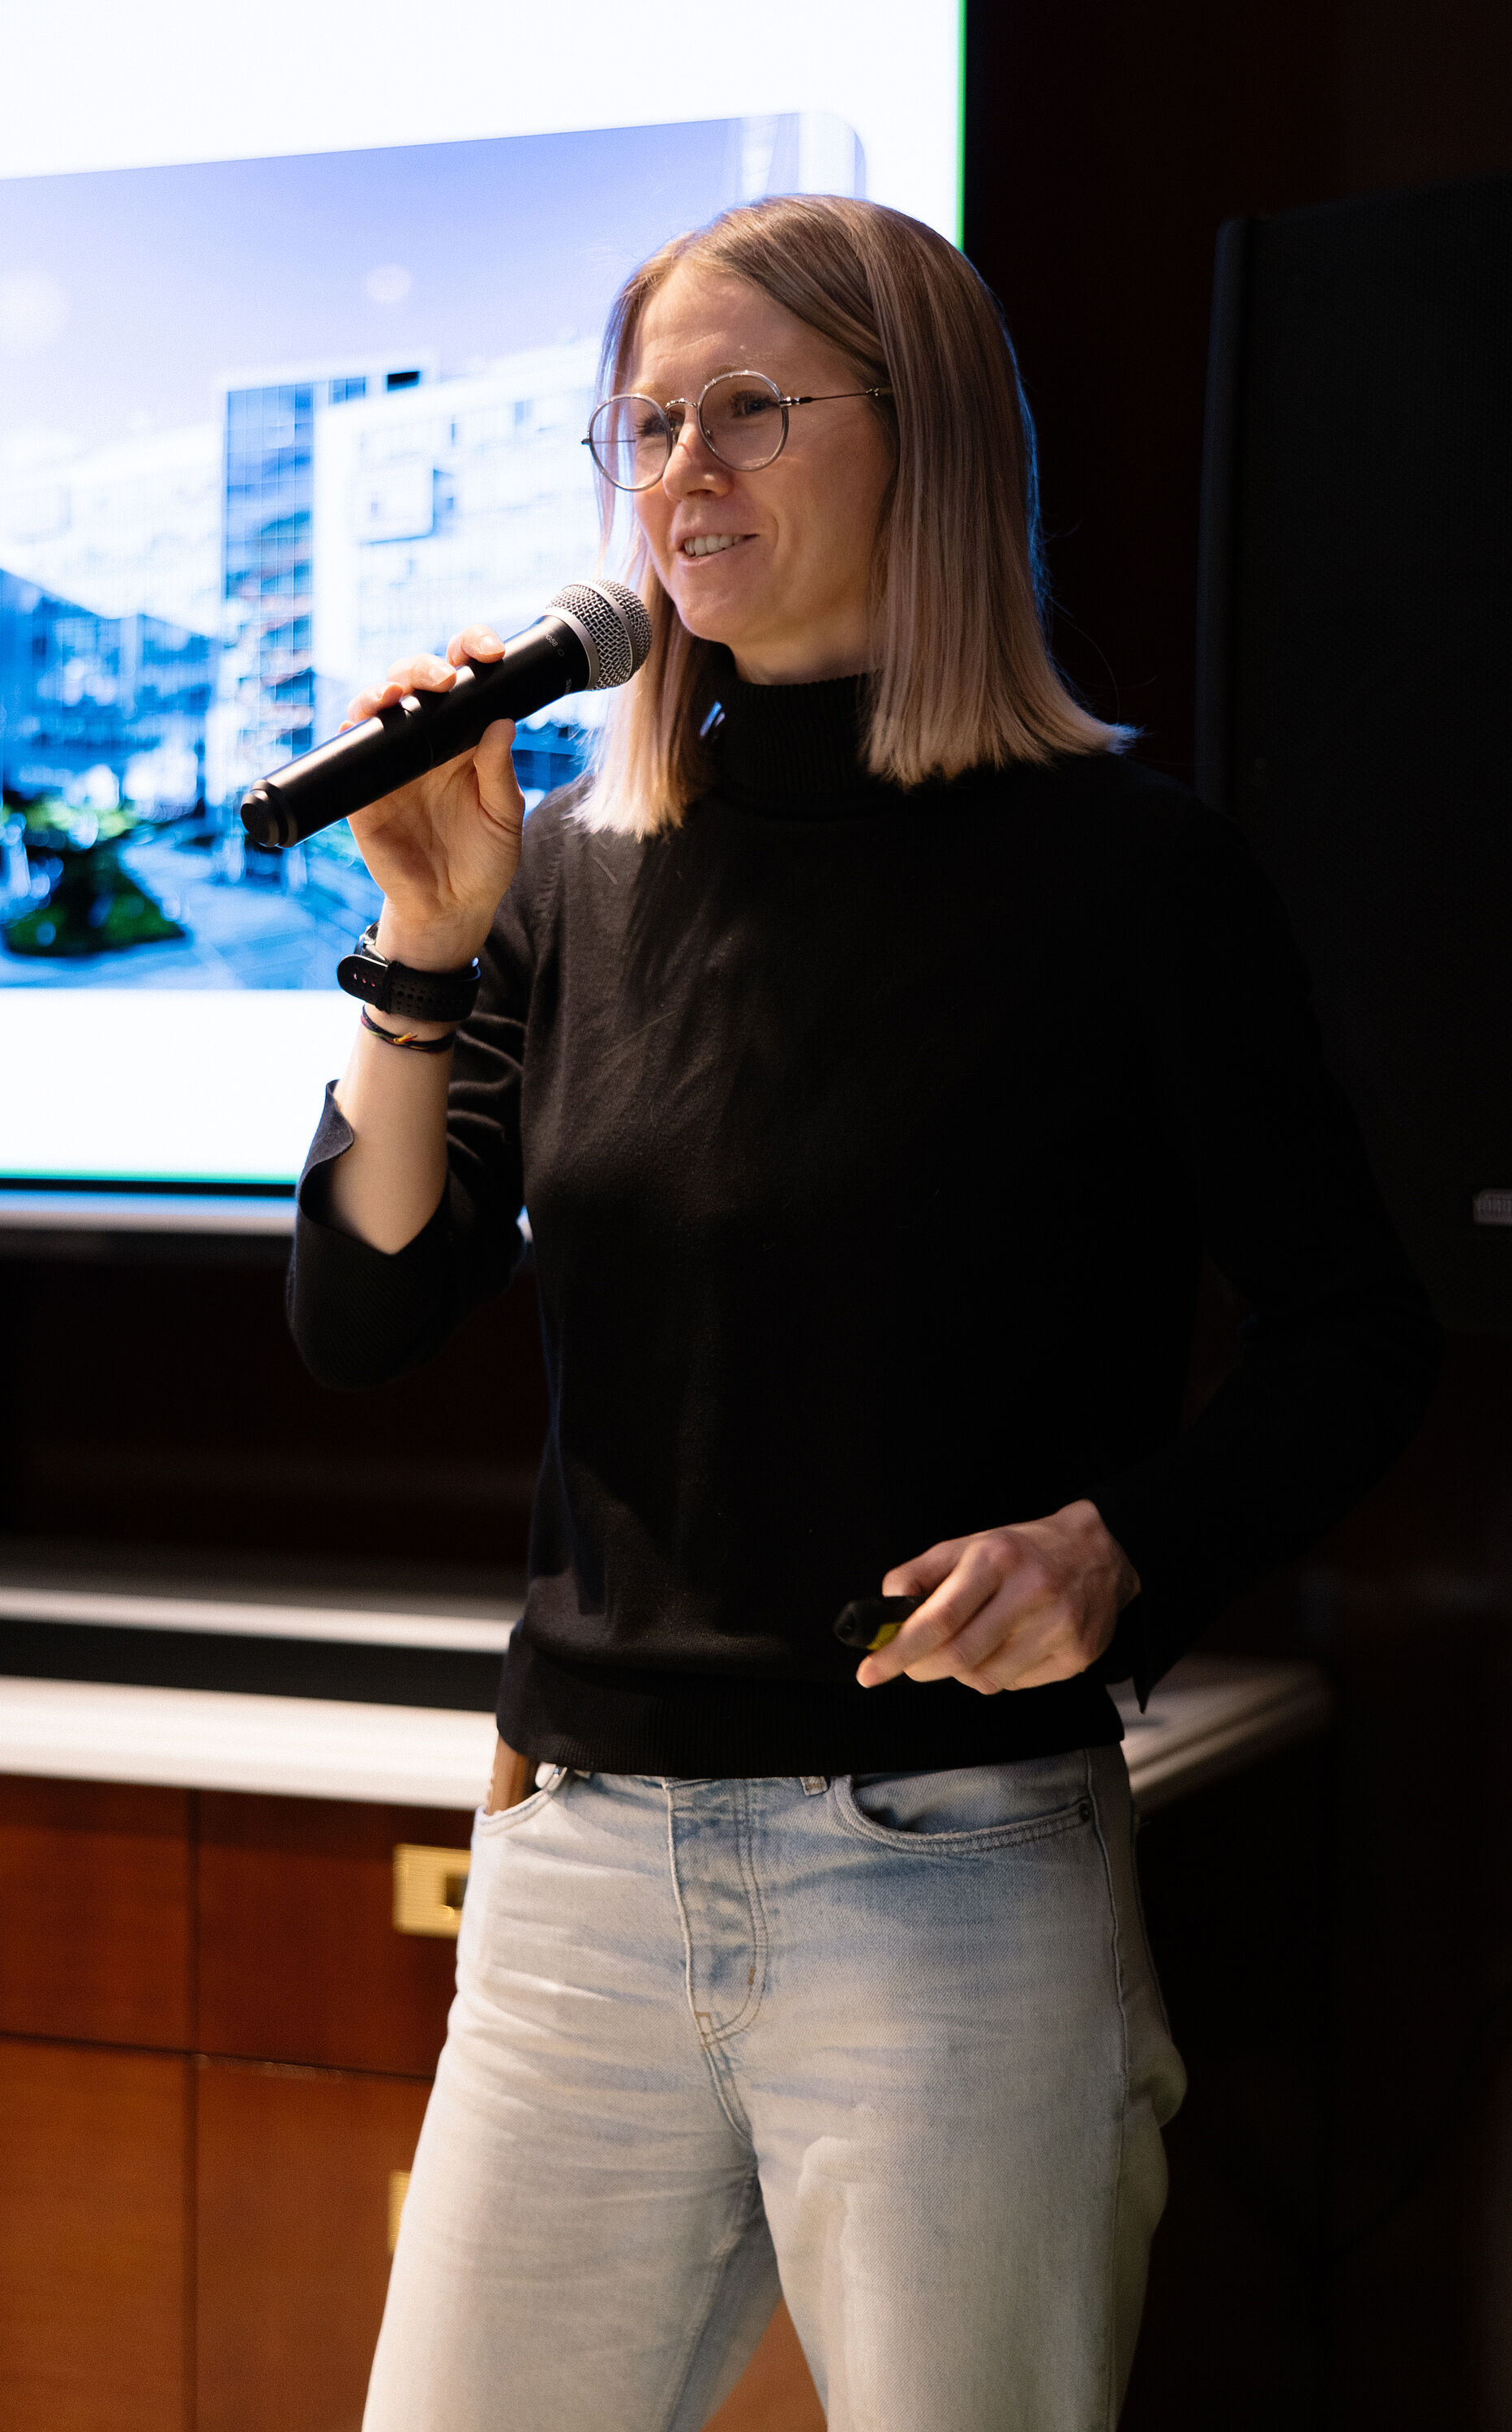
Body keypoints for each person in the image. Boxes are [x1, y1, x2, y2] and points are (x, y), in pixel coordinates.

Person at [287, 195, 1439, 2432]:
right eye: (645, 429)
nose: (683, 476)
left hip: (949, 1880)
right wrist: (425, 940)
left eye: (748, 412)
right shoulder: (574, 875)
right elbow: (365, 1313)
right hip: (577, 1865)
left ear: (930, 444)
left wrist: (1119, 1550)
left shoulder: (1130, 875)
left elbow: (1355, 1334)